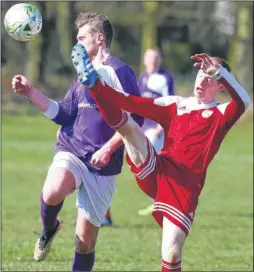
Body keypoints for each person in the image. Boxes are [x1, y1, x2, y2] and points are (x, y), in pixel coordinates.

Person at [71, 45, 251, 272]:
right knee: (131, 129)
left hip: (184, 188)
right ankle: (94, 83)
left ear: (220, 86)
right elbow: (129, 102)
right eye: (201, 75)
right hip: (158, 170)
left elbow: (244, 101)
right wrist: (98, 87)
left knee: (172, 254)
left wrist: (221, 72)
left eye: (210, 79)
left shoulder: (221, 114)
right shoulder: (176, 104)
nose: (202, 82)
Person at [11, 12, 143, 272]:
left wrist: (108, 149)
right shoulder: (81, 74)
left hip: (103, 164)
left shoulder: (120, 72)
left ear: (99, 38)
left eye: (82, 37)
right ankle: (49, 229)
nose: (77, 43)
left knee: (84, 244)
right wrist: (30, 92)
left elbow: (136, 120)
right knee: (52, 190)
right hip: (71, 149)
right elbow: (64, 114)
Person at [137, 47, 175, 216]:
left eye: (156, 58)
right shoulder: (142, 78)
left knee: (157, 166)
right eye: (150, 58)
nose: (153, 61)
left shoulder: (165, 78)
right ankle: (160, 201)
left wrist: (161, 127)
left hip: (156, 130)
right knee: (147, 166)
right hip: (142, 128)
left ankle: (161, 203)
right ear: (145, 60)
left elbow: (170, 103)